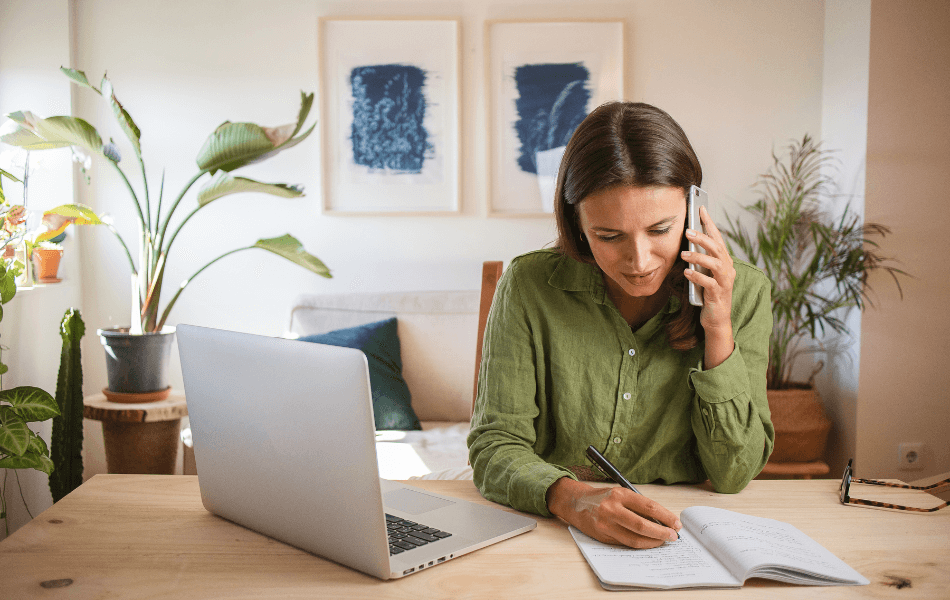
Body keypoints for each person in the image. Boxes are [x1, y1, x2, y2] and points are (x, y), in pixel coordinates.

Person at [467, 101, 774, 550]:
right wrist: (572, 500)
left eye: (660, 229)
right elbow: (495, 446)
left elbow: (733, 473)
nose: (639, 262)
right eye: (609, 236)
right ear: (577, 223)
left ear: (693, 212)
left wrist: (719, 328)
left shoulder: (744, 292)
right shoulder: (529, 285)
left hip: (687, 539)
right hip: (553, 533)